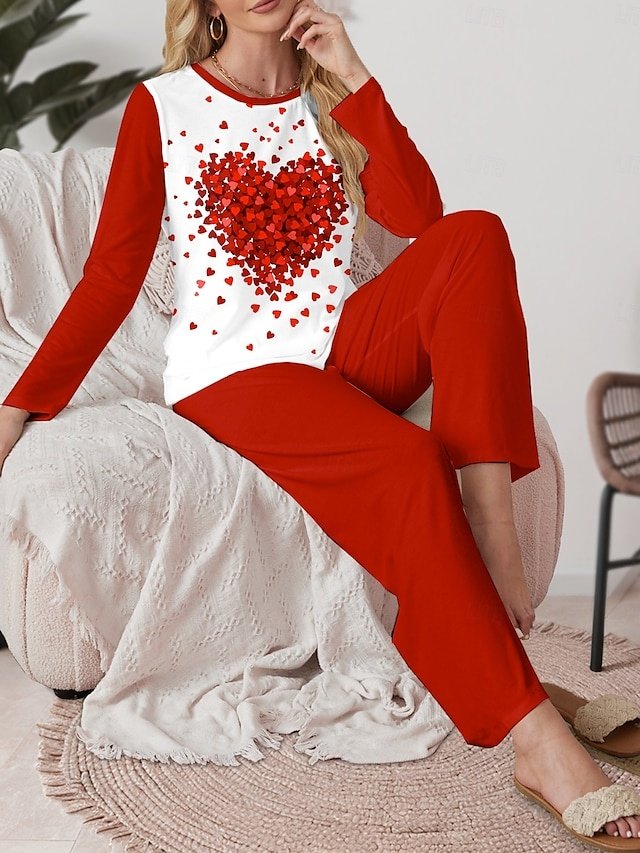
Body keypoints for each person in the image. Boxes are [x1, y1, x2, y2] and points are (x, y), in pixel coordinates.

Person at [1, 0, 639, 844]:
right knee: (410, 461)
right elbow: (112, 277)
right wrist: (18, 405)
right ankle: (537, 740)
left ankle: (494, 534)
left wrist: (354, 74)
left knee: (476, 237)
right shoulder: (165, 105)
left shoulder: (328, 93)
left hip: (342, 346)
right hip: (236, 374)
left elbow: (424, 221)